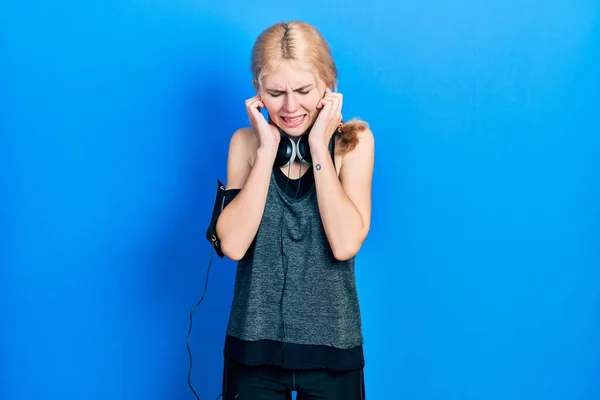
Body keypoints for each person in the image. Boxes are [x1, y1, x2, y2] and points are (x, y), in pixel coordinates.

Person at [214, 20, 375, 400]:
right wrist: (266, 151)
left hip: (333, 350)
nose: (290, 106)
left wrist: (320, 148)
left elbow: (344, 244)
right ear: (257, 92)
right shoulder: (245, 144)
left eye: (303, 90)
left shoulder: (355, 144)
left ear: (328, 86)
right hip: (253, 350)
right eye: (275, 92)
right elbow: (233, 245)